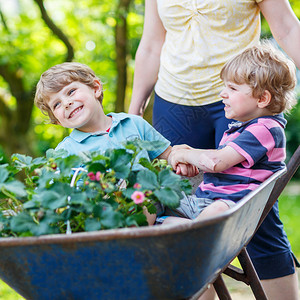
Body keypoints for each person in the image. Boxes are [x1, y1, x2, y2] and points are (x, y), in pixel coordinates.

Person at [165, 42, 299, 299]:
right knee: (154, 201)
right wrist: (194, 163)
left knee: (210, 220)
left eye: (232, 88)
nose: (222, 94)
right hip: (211, 202)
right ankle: (166, 252)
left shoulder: (265, 128)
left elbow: (218, 162)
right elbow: (219, 167)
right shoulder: (241, 128)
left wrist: (182, 152)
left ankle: (187, 261)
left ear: (262, 98)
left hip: (232, 209)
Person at [34, 62, 198, 225]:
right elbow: (58, 196)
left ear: (96, 88)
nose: (66, 103)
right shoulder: (65, 151)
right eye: (56, 104)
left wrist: (178, 159)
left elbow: (167, 155)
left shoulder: (132, 123)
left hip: (155, 206)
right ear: (57, 121)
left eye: (70, 92)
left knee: (200, 220)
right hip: (111, 220)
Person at [128, 0, 300, 151]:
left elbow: (287, 28)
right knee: (174, 185)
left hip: (243, 98)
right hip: (173, 103)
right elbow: (151, 46)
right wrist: (134, 115)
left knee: (243, 184)